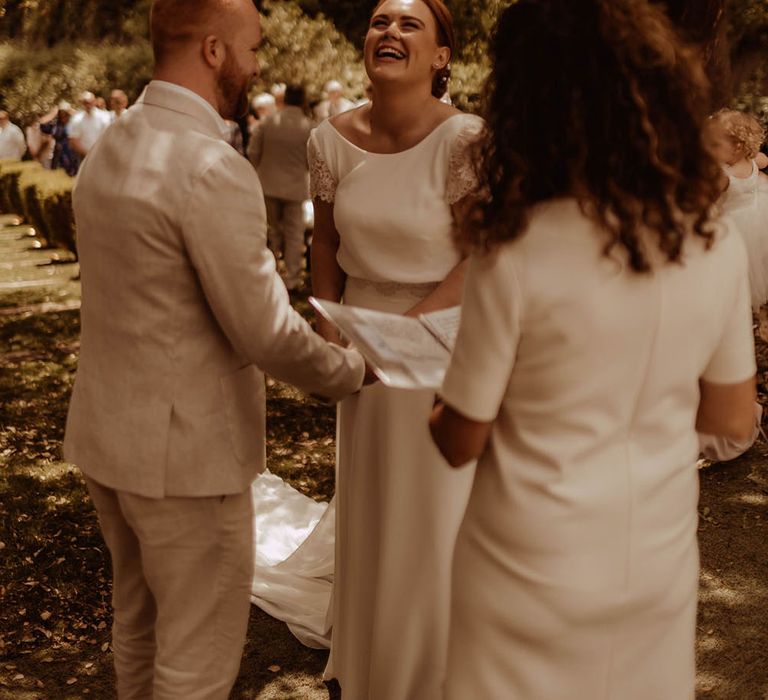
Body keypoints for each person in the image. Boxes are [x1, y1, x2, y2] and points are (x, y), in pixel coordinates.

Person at [428, 2, 757, 699]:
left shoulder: (513, 247)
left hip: (526, 564)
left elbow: (460, 440)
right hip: (654, 561)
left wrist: (442, 402)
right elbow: (733, 420)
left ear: (528, 110)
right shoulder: (712, 243)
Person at [64, 1, 365, 698]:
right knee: (196, 662)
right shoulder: (210, 167)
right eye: (252, 48)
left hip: (107, 438)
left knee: (138, 628)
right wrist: (351, 368)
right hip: (185, 457)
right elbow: (265, 330)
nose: (258, 64)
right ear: (212, 50)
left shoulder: (114, 141)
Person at [309, 0, 481, 696]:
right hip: (360, 339)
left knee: (434, 502)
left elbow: (482, 254)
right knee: (373, 496)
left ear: (442, 57)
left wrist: (404, 332)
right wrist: (330, 330)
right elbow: (324, 241)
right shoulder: (328, 138)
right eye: (381, 21)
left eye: (411, 25)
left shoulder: (466, 137)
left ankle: (436, 662)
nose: (390, 32)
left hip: (444, 334)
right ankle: (368, 647)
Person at [248, 84, 314, 290]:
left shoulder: (267, 123)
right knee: (295, 234)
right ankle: (293, 278)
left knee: (271, 232)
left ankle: (272, 274)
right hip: (295, 187)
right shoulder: (309, 126)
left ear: (284, 99)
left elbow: (253, 153)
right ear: (303, 100)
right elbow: (311, 161)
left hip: (268, 184)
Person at [706, 109, 768, 310]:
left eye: (716, 145)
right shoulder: (752, 161)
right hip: (758, 215)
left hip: (735, 224)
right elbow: (764, 161)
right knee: (757, 264)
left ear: (737, 146)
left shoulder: (725, 175)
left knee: (734, 268)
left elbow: (709, 201)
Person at [40, 102, 79, 176]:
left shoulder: (74, 123)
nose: (63, 115)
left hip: (72, 153)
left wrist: (70, 110)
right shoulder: (56, 125)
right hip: (59, 154)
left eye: (65, 113)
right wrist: (53, 114)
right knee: (58, 175)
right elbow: (42, 124)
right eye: (61, 113)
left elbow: (83, 119)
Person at [68, 90, 111, 158]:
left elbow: (108, 136)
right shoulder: (77, 119)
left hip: (102, 155)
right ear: (82, 103)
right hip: (83, 157)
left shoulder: (104, 116)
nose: (88, 105)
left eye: (90, 102)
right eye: (85, 103)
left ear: (94, 102)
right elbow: (74, 140)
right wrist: (88, 154)